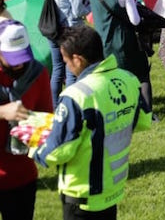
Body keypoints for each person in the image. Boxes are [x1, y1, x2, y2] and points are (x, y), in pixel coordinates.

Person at [33, 25, 151, 219]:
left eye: (65, 61)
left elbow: (57, 152)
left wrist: (32, 144)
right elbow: (143, 121)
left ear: (77, 59)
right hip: (112, 189)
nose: (66, 67)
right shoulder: (128, 79)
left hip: (82, 195)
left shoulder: (76, 95)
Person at [1, 20, 53, 220]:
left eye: (23, 55)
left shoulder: (38, 73)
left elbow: (47, 117)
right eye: (12, 58)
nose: (20, 64)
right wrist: (3, 112)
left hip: (21, 176)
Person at [87, 0, 152, 111]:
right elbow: (135, 20)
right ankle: (146, 110)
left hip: (102, 42)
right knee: (142, 74)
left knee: (112, 77)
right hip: (124, 41)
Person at [40, 0, 85, 107]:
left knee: (58, 69)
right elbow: (77, 11)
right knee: (71, 71)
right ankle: (69, 106)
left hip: (53, 28)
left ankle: (55, 105)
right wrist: (89, 4)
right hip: (69, 30)